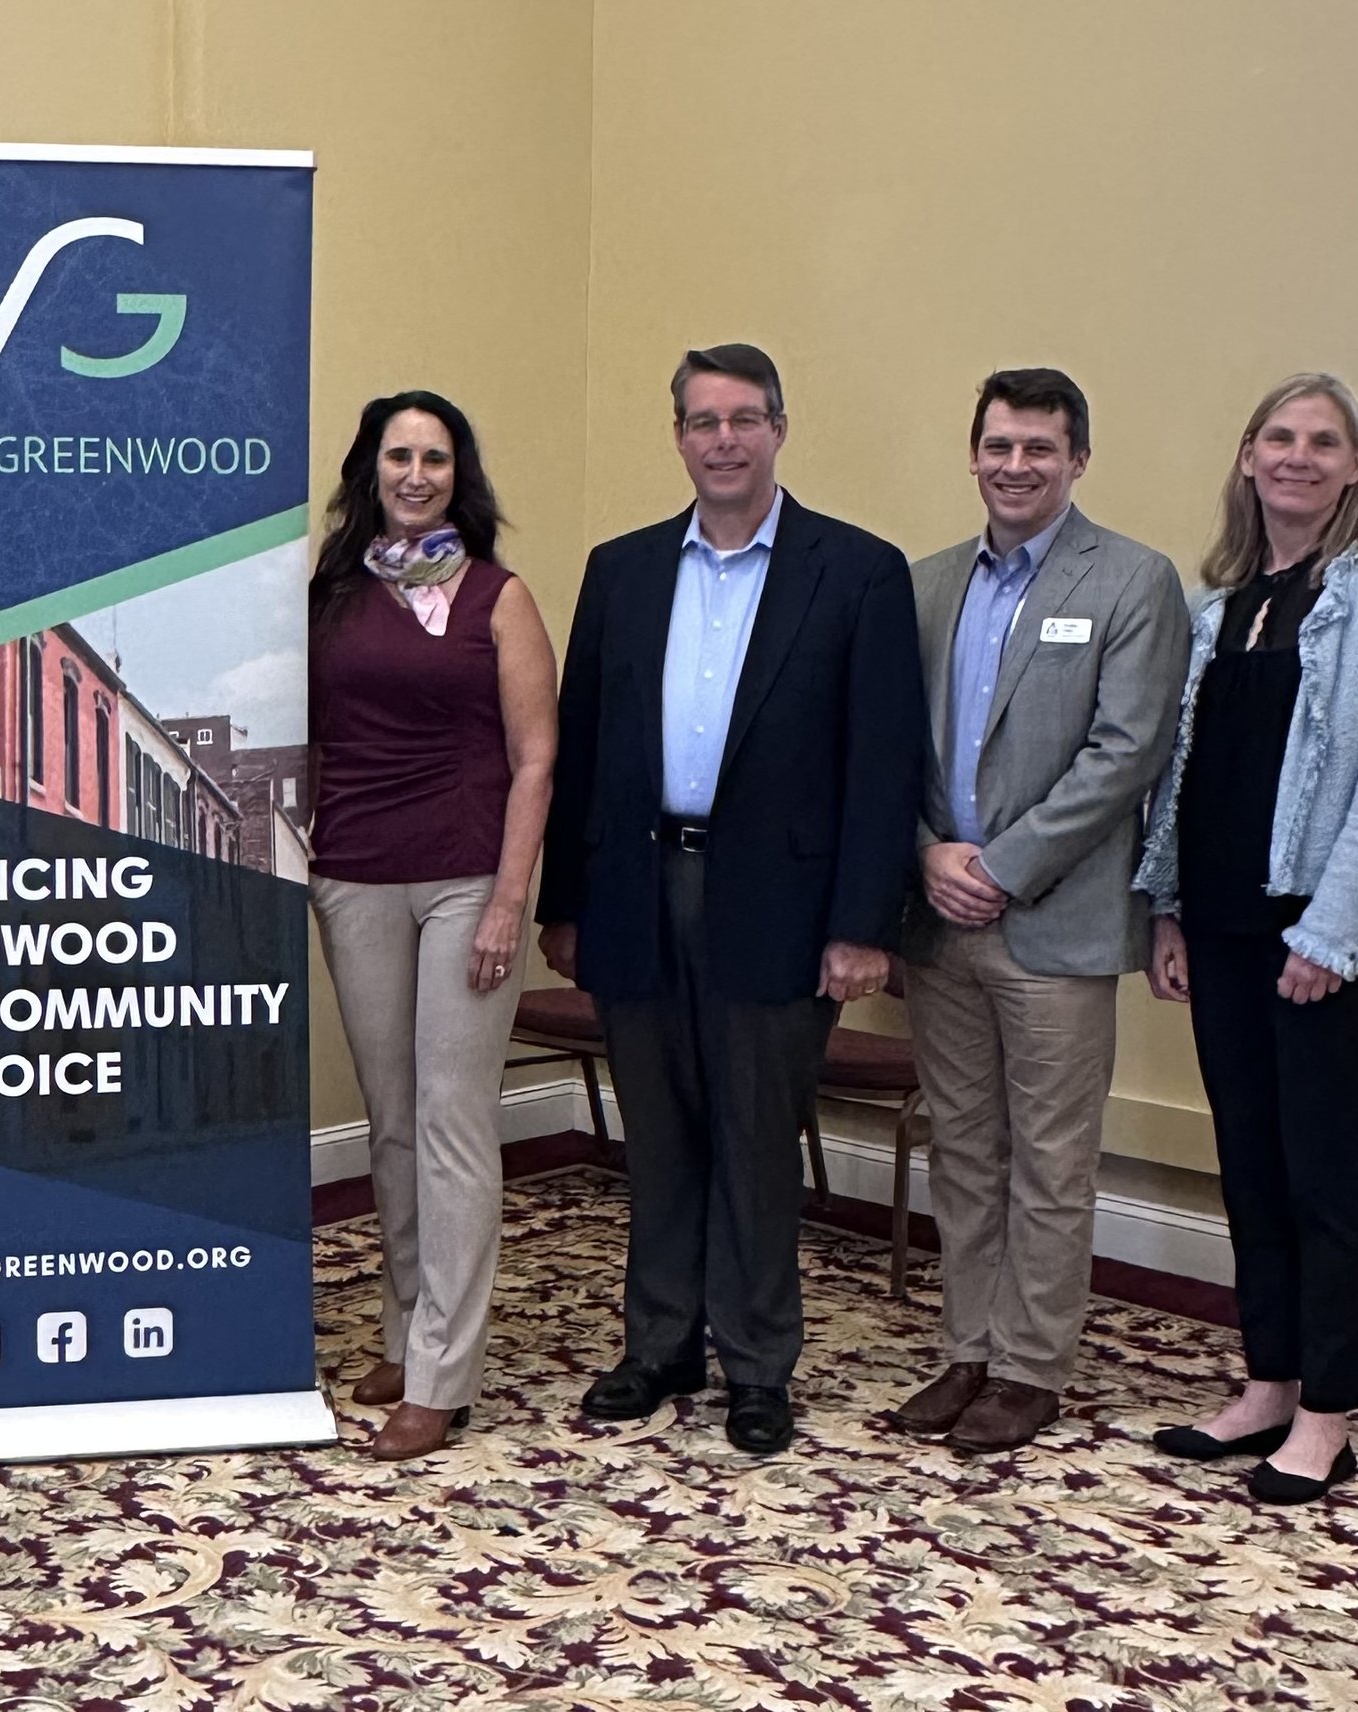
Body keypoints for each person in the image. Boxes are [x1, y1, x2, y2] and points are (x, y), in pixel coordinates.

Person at [536, 344, 923, 1456]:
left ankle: (757, 1361)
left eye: (744, 418)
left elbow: (882, 762)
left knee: (755, 1138)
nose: (723, 440)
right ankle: (659, 1343)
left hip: (780, 905)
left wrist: (861, 926)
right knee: (657, 1134)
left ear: (779, 431)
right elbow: (583, 746)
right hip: (636, 887)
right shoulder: (621, 569)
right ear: (678, 437)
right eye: (702, 421)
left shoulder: (857, 571)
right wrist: (567, 903)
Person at [889, 370, 1190, 1452]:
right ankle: (968, 1348)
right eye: (999, 445)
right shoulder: (924, 585)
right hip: (940, 921)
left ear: (1077, 460)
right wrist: (928, 854)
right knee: (963, 1151)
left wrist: (1003, 866)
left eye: (1039, 448)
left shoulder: (1133, 580)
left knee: (1052, 1159)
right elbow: (891, 747)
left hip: (1055, 924)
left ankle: (1029, 1367)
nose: (1015, 466)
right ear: (972, 454)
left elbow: (1127, 752)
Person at [1137, 374, 1358, 1505]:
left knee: (1323, 1169)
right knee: (1248, 1157)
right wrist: (1169, 907)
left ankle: (1328, 1412)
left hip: (1325, 935)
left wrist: (1332, 932)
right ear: (1247, 457)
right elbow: (1185, 776)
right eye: (1278, 437)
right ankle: (1269, 1381)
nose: (1298, 456)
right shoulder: (1221, 605)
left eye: (1323, 441)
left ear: (1353, 467)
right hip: (1224, 921)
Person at [308, 389, 557, 1462]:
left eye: (437, 458)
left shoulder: (499, 597)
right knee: (393, 1120)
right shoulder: (329, 593)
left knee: (451, 1122)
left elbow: (536, 760)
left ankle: (442, 1376)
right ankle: (407, 1328)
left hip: (467, 877)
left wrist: (508, 898)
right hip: (354, 873)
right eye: (399, 456)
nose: (417, 475)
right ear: (371, 471)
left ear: (462, 476)